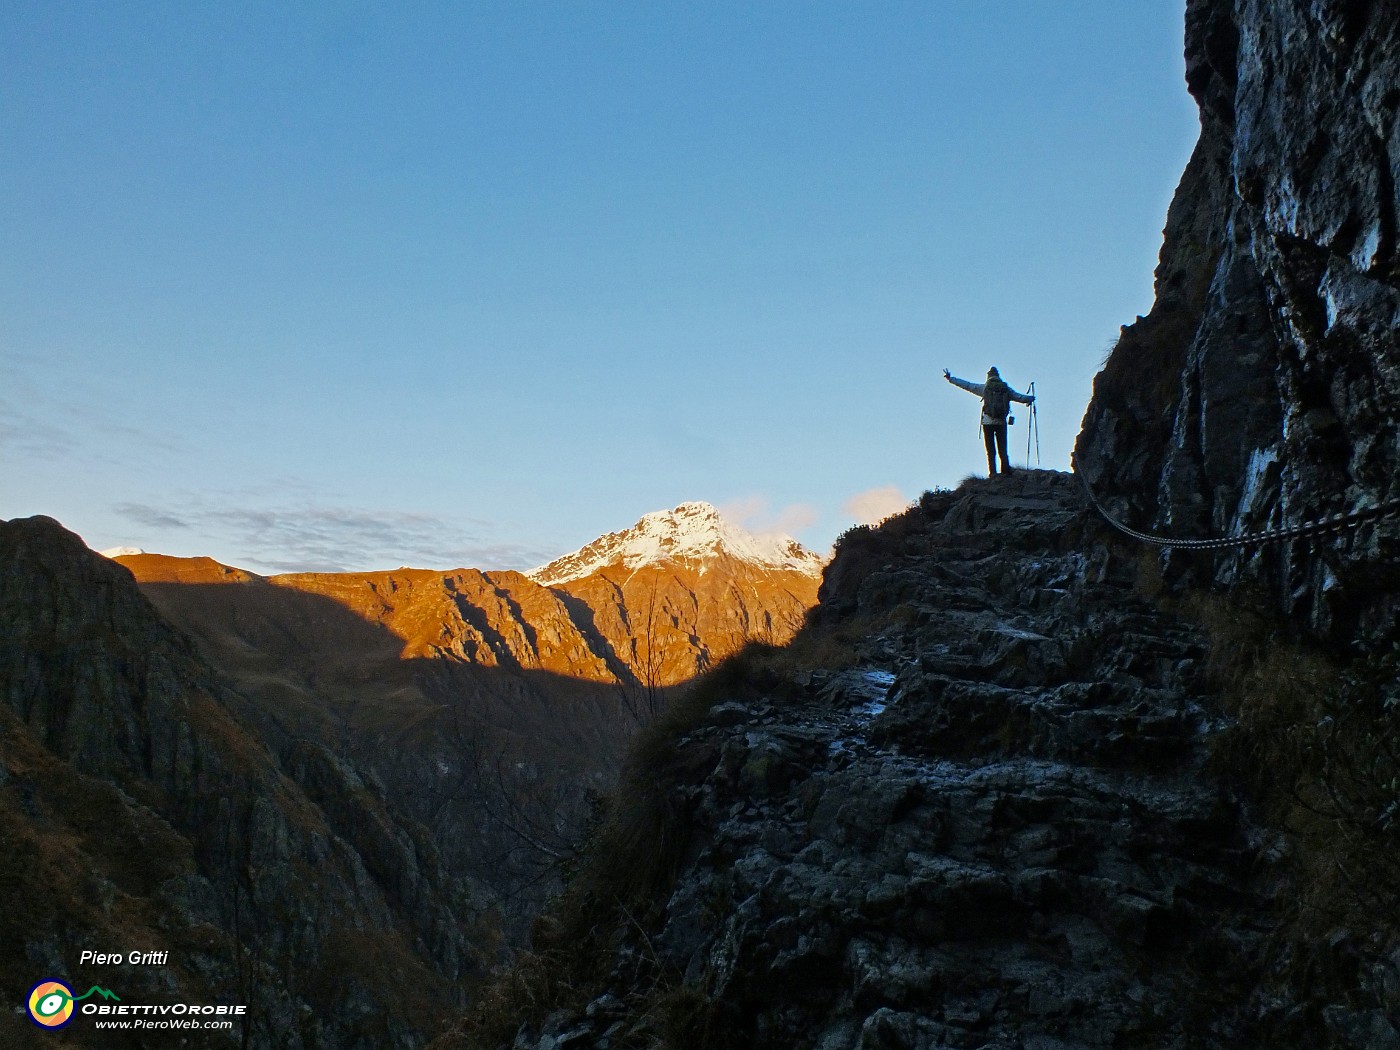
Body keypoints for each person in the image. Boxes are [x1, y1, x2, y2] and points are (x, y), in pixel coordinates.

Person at [943, 366, 1034, 476]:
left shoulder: (985, 388)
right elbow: (1019, 397)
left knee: (990, 450)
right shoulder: (1005, 389)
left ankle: (993, 473)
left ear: (988, 377)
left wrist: (951, 379)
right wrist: (1030, 398)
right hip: (1001, 422)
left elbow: (967, 385)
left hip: (987, 422)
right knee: (1003, 448)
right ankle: (1005, 470)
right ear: (998, 376)